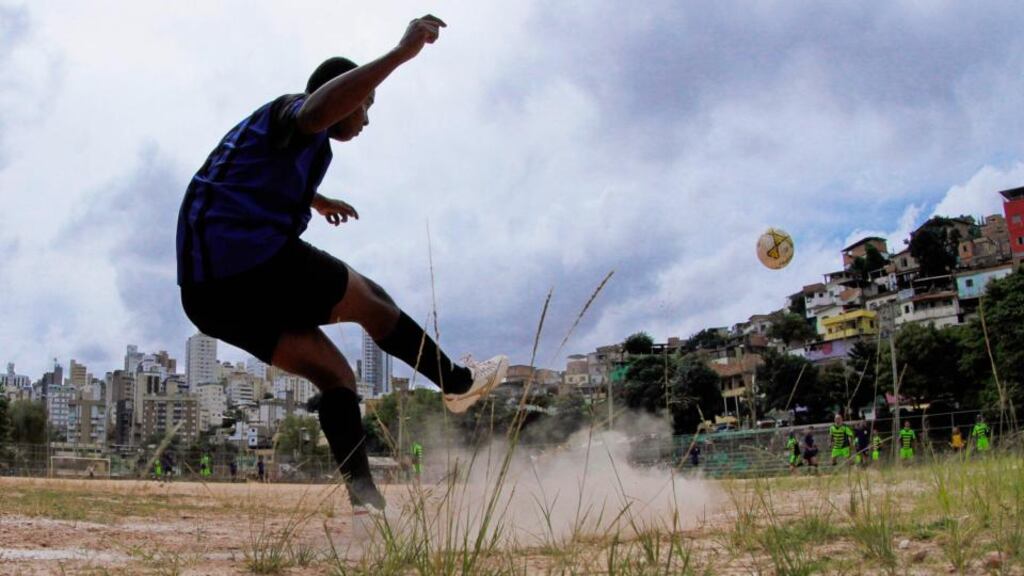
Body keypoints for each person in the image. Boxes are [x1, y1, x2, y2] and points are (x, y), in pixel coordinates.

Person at [175, 15, 508, 511]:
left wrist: (317, 200)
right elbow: (312, 113)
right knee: (371, 299)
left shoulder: (296, 149)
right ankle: (458, 384)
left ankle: (366, 504)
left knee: (336, 377)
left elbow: (249, 178)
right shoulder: (290, 113)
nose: (366, 118)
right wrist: (398, 54)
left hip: (208, 296)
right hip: (241, 258)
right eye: (364, 104)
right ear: (339, 96)